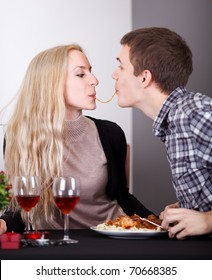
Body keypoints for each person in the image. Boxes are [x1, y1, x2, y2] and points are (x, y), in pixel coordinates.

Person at [0, 44, 154, 234]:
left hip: (109, 240)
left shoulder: (111, 133)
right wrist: (4, 223)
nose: (95, 80)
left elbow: (123, 197)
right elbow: (21, 208)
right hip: (53, 246)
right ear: (51, 84)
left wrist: (158, 222)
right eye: (81, 74)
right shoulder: (19, 137)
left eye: (91, 72)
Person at [112, 27, 212, 234]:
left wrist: (208, 220)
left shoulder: (193, 115)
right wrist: (188, 210)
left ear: (144, 78)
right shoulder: (175, 119)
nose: (114, 74)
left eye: (120, 67)